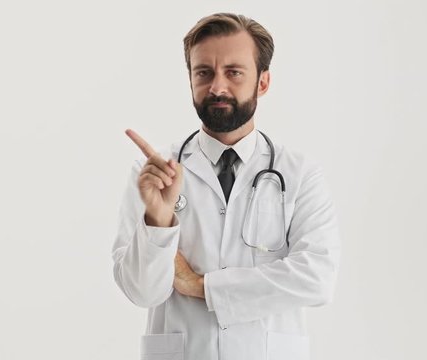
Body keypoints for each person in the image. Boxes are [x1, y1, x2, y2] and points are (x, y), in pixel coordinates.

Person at [112, 13, 341, 360]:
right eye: (203, 72)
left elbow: (316, 277)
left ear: (262, 83)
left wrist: (204, 287)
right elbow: (141, 292)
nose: (217, 87)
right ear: (190, 79)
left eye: (233, 72)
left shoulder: (299, 174)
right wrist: (158, 222)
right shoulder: (154, 174)